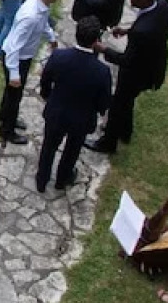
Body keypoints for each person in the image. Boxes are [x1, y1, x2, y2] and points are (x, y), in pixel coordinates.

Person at [88, 0, 168, 154]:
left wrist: (104, 49)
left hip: (137, 73)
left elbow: (127, 60)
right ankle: (125, 132)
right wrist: (128, 31)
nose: (130, 1)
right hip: (153, 62)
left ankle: (108, 143)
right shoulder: (164, 6)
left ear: (144, 1)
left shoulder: (143, 32)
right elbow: (149, 26)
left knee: (118, 104)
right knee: (127, 102)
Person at [35, 17, 113, 193]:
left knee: (48, 147)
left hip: (57, 112)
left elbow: (45, 80)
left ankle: (42, 179)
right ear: (96, 41)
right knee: (72, 151)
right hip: (81, 119)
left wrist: (48, 96)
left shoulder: (59, 57)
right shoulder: (102, 71)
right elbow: (104, 102)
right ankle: (62, 180)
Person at [0, 0, 60, 144]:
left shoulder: (40, 5)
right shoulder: (30, 16)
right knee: (15, 96)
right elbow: (14, 46)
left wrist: (51, 37)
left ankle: (4, 115)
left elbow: (43, 24)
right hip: (17, 59)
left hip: (22, 56)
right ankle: (7, 130)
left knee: (11, 93)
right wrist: (14, 73)